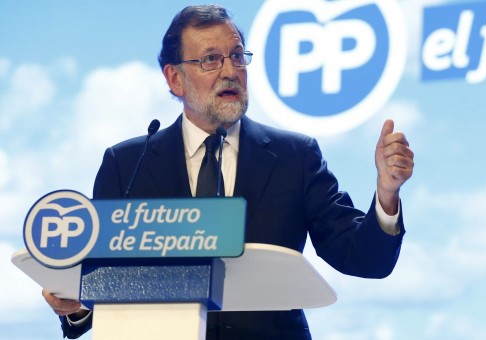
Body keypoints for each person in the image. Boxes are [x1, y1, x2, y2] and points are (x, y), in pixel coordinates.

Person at [42, 4, 414, 339]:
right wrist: (76, 305)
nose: (230, 71)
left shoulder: (295, 157)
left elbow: (363, 258)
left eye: (237, 56)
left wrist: (386, 194)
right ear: (174, 79)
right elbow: (99, 286)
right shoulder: (126, 165)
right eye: (210, 59)